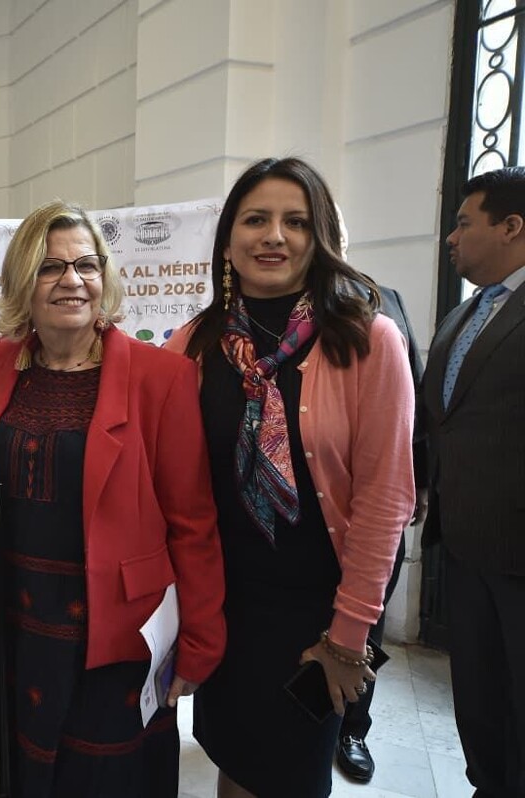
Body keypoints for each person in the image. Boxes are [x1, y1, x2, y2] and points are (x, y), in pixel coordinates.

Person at [165, 157, 416, 798]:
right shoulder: (191, 346)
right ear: (228, 240)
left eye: (295, 221)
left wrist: (348, 636)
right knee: (234, 759)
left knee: (290, 777)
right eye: (255, 219)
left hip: (319, 617)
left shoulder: (368, 340)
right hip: (225, 608)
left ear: (320, 236)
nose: (273, 235)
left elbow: (385, 499)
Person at [0, 199, 226, 798]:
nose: (72, 281)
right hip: (14, 623)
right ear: (23, 282)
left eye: (86, 265)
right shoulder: (0, 364)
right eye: (51, 268)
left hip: (115, 633)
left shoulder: (163, 379)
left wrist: (200, 641)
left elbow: (193, 522)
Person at [421, 166, 525, 797]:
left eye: (464, 222)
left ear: (511, 226)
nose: (451, 238)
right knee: (480, 700)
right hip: (463, 547)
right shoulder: (465, 315)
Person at [334, 280, 429, 783]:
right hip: (309, 518)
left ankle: (353, 729)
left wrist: (422, 484)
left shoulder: (383, 303)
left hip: (377, 504)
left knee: (364, 625)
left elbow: (419, 402)